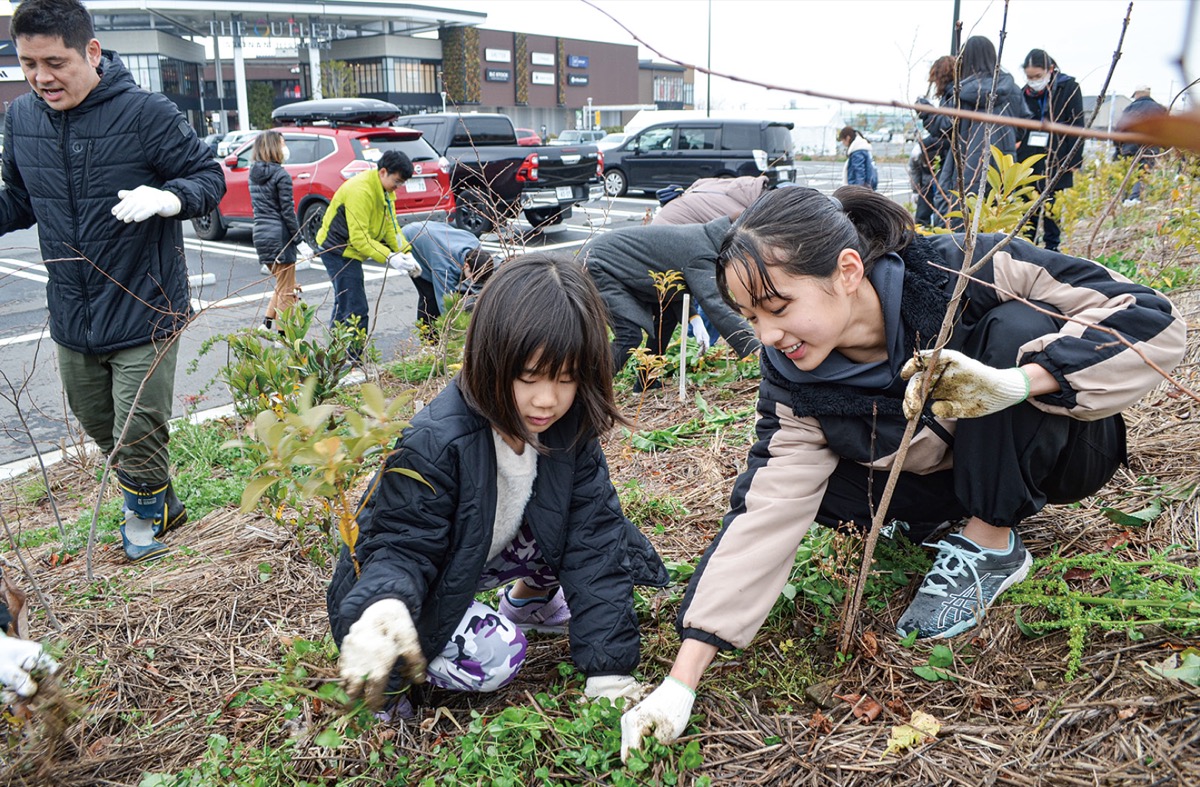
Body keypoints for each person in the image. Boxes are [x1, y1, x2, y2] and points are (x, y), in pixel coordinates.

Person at [618, 185, 1185, 758]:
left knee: (1010, 330)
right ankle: (945, 523)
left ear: (846, 271)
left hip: (1063, 446)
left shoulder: (962, 270)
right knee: (800, 480)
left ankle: (991, 542)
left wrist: (1014, 384)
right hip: (932, 479)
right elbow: (766, 509)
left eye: (780, 307)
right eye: (751, 317)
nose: (766, 335)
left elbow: (1147, 316)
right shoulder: (793, 380)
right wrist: (680, 682)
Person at [327, 253, 668, 712]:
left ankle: (529, 604)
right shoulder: (437, 442)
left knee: (581, 525)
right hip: (423, 577)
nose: (547, 400)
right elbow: (402, 546)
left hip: (485, 546)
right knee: (496, 654)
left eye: (566, 379)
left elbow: (595, 541)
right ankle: (403, 671)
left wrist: (609, 671)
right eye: (528, 378)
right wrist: (383, 608)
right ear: (491, 359)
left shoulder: (569, 430)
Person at [0, 0, 225, 561]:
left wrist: (171, 196)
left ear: (91, 52)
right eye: (28, 64)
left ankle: (144, 522)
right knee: (98, 421)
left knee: (137, 428)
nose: (41, 77)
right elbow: (19, 201)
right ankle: (161, 498)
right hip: (73, 312)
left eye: (55, 62)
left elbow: (209, 175)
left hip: (145, 302)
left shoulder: (146, 113)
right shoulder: (21, 119)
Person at [576, 218, 761, 390]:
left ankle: (646, 379)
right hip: (598, 266)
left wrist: (694, 319)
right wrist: (756, 348)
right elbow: (715, 304)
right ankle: (587, 390)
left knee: (668, 315)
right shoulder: (702, 252)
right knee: (629, 334)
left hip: (612, 264)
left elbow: (674, 289)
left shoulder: (703, 238)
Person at [651, 175, 773, 356]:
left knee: (671, 305)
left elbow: (697, 183)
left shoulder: (733, 187)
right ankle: (698, 347)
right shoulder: (743, 214)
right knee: (714, 295)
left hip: (663, 233)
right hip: (676, 243)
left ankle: (689, 346)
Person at [315, 150, 415, 356]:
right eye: (397, 181)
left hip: (351, 248)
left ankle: (334, 357)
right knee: (355, 307)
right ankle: (353, 358)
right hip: (338, 249)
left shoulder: (385, 193)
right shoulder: (360, 191)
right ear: (383, 172)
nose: (398, 187)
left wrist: (406, 252)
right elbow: (359, 238)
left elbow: (391, 227)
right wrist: (389, 257)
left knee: (345, 301)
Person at [933, 36, 1031, 227]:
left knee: (959, 217)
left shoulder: (959, 92)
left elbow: (945, 128)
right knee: (997, 219)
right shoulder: (1013, 90)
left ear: (965, 58)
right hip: (1003, 166)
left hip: (964, 163)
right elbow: (1022, 128)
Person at [1020, 49, 1084, 252]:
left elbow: (1077, 124)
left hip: (1058, 155)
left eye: (1037, 76)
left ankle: (1052, 247)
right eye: (1029, 77)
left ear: (1050, 69)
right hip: (1030, 156)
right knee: (1027, 201)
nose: (1033, 81)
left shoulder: (1068, 88)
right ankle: (1027, 245)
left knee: (1051, 202)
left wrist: (1074, 159)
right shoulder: (1024, 93)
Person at [250, 130, 314, 334]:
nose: (286, 148)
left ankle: (267, 323)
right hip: (280, 237)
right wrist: (300, 241)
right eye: (283, 143)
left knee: (282, 283)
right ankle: (283, 334)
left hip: (260, 235)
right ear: (274, 147)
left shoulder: (253, 173)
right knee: (287, 289)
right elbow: (287, 212)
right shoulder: (281, 175)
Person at [398, 219, 496, 330]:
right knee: (429, 296)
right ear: (466, 266)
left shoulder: (476, 246)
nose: (473, 281)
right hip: (410, 240)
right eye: (473, 277)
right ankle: (427, 337)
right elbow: (444, 304)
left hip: (433, 232)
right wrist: (455, 329)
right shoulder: (444, 267)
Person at [913, 55, 957, 225]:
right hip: (946, 159)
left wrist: (926, 112)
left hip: (949, 160)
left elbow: (946, 129)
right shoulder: (952, 95)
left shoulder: (953, 94)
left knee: (942, 202)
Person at [1114, 85, 1168, 204]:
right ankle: (1135, 198)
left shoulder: (1129, 108)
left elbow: (1119, 129)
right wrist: (1165, 148)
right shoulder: (1159, 109)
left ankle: (1126, 199)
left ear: (1137, 94)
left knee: (1129, 173)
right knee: (1143, 172)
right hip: (1150, 147)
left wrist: (1117, 147)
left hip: (1129, 146)